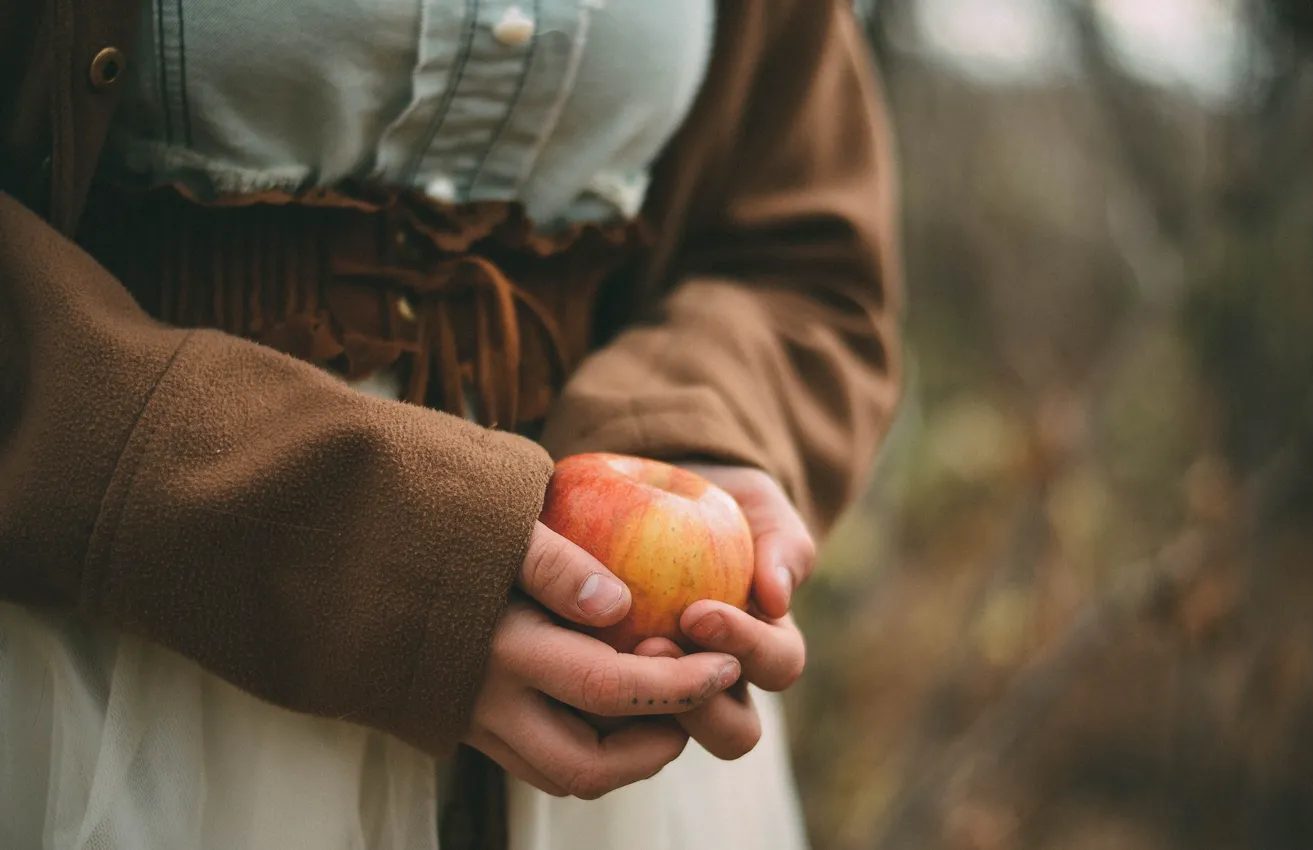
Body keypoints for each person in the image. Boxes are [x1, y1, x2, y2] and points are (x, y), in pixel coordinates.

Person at [0, 0, 903, 848]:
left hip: (603, 701)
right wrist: (370, 544)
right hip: (121, 650)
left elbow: (797, 250)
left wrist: (692, 426)